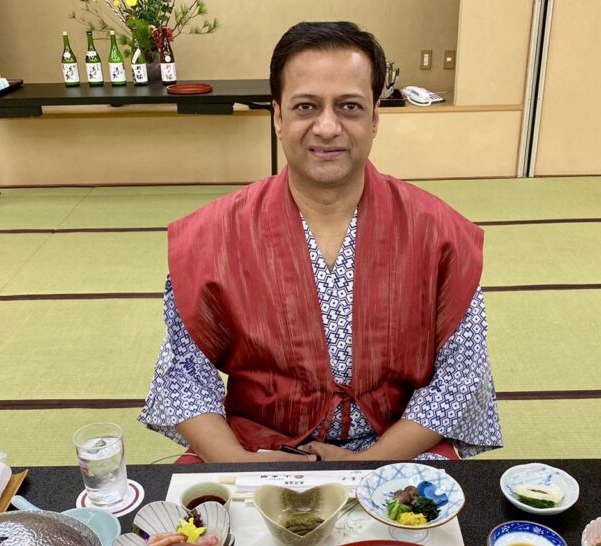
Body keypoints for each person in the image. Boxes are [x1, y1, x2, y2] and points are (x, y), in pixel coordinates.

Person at [140, 21, 501, 463]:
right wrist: (240, 463)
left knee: (440, 504)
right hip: (256, 445)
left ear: (375, 118)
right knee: (194, 507)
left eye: (349, 107)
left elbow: (461, 376)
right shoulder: (211, 236)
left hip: (398, 445)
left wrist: (372, 462)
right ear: (278, 116)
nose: (327, 127)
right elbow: (185, 375)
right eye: (306, 106)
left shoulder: (439, 234)